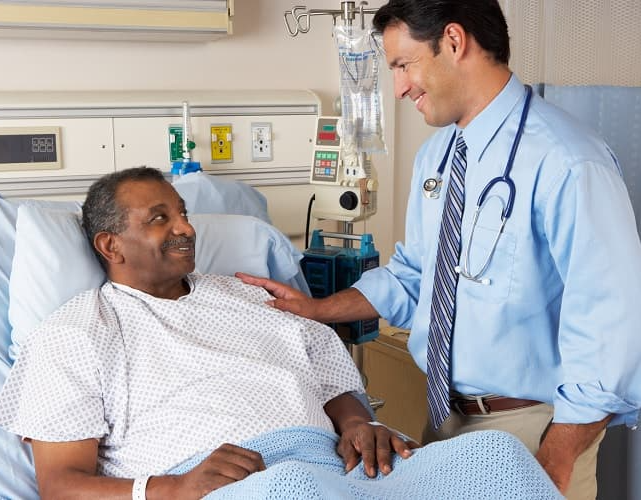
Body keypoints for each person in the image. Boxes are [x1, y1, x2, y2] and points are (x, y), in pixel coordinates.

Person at [238, 1, 641, 499]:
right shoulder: (439, 155)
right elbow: (414, 277)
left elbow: (614, 323)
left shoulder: (567, 160)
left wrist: (557, 456)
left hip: (534, 432)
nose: (400, 88)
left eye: (404, 65)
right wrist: (317, 310)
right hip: (444, 425)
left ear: (454, 41)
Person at [0, 167, 417, 500]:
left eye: (183, 214)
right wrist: (175, 488)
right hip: (225, 487)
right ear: (110, 246)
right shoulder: (75, 334)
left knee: (482, 460)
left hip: (335, 469)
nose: (186, 229)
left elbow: (327, 373)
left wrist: (359, 423)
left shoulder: (248, 294)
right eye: (160, 219)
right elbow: (61, 486)